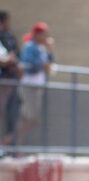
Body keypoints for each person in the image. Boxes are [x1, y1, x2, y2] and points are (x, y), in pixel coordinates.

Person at [7, 22, 54, 146]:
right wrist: (41, 65)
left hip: (38, 85)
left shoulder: (42, 47)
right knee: (30, 118)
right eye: (44, 34)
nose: (46, 36)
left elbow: (50, 63)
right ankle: (10, 143)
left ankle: (15, 145)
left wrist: (49, 50)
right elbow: (26, 65)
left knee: (30, 119)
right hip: (29, 85)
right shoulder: (30, 46)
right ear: (37, 34)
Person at [0, 11, 21, 143]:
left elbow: (13, 57)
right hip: (3, 80)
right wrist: (8, 60)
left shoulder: (8, 37)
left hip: (9, 80)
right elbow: (4, 60)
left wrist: (13, 62)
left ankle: (6, 145)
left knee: (10, 114)